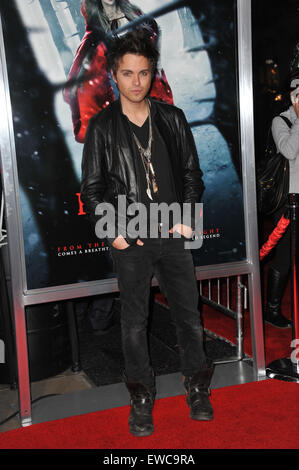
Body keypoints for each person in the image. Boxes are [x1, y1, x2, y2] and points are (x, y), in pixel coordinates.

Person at [81, 29, 213, 437]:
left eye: (143, 73)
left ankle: (197, 386)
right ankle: (140, 396)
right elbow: (92, 189)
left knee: (189, 317)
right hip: (129, 235)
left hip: (175, 229)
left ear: (152, 73)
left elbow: (192, 172)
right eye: (127, 73)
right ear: (114, 77)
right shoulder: (103, 127)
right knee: (134, 322)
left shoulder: (171, 118)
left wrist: (189, 217)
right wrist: (113, 233)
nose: (136, 81)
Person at [63, 0, 173, 143]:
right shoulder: (95, 31)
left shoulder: (133, 14)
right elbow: (81, 71)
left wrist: (155, 63)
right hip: (119, 93)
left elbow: (155, 29)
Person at [264, 72, 299, 328]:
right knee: (284, 257)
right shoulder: (282, 121)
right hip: (288, 202)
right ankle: (271, 309)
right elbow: (288, 150)